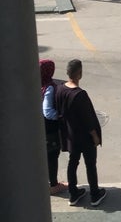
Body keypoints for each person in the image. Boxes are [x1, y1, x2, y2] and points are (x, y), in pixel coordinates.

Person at [54, 59, 106, 207]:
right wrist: (95, 136)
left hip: (70, 136)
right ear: (80, 73)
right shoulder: (80, 94)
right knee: (90, 164)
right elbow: (88, 119)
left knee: (73, 162)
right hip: (85, 137)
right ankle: (95, 195)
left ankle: (73, 194)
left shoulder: (60, 89)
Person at [41, 59, 67, 195]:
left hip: (38, 127)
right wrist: (61, 115)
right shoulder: (48, 87)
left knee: (42, 156)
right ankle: (54, 185)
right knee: (52, 156)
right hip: (49, 129)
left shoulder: (36, 83)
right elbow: (47, 112)